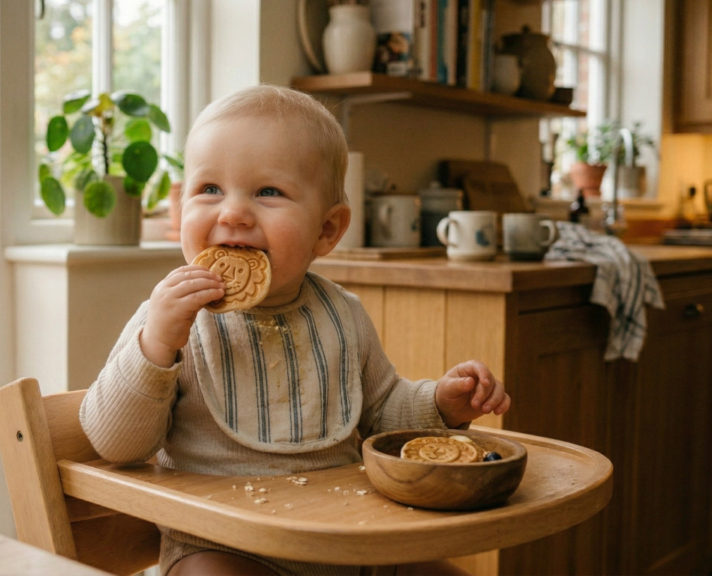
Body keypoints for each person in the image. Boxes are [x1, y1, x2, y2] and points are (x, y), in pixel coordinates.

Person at [79, 85, 511, 576]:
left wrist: (441, 405)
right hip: (222, 546)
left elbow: (382, 411)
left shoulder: (343, 314)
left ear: (327, 230)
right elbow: (114, 443)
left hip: (352, 542)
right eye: (209, 189)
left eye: (268, 192)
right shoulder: (170, 322)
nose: (233, 213)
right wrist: (155, 346)